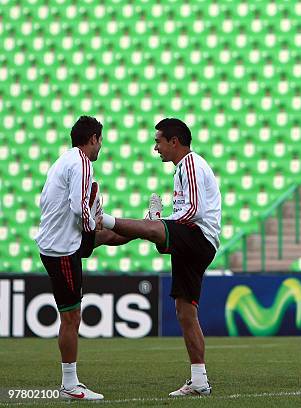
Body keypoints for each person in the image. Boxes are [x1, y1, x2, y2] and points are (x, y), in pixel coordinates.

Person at [99, 118, 221, 397]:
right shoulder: (182, 169)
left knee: (152, 227)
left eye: (158, 141)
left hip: (198, 236)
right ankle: (199, 381)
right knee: (185, 311)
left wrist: (163, 222)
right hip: (191, 240)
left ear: (173, 141)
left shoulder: (190, 163)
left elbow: (195, 211)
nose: (156, 148)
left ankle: (102, 221)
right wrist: (161, 223)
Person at [34, 116, 106, 400]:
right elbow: (78, 207)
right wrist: (91, 223)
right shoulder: (82, 163)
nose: (101, 146)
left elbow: (47, 200)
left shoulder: (63, 160)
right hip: (61, 248)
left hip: (59, 242)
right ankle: (69, 385)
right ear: (92, 139)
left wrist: (90, 223)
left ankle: (147, 226)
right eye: (100, 140)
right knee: (71, 316)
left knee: (108, 235)